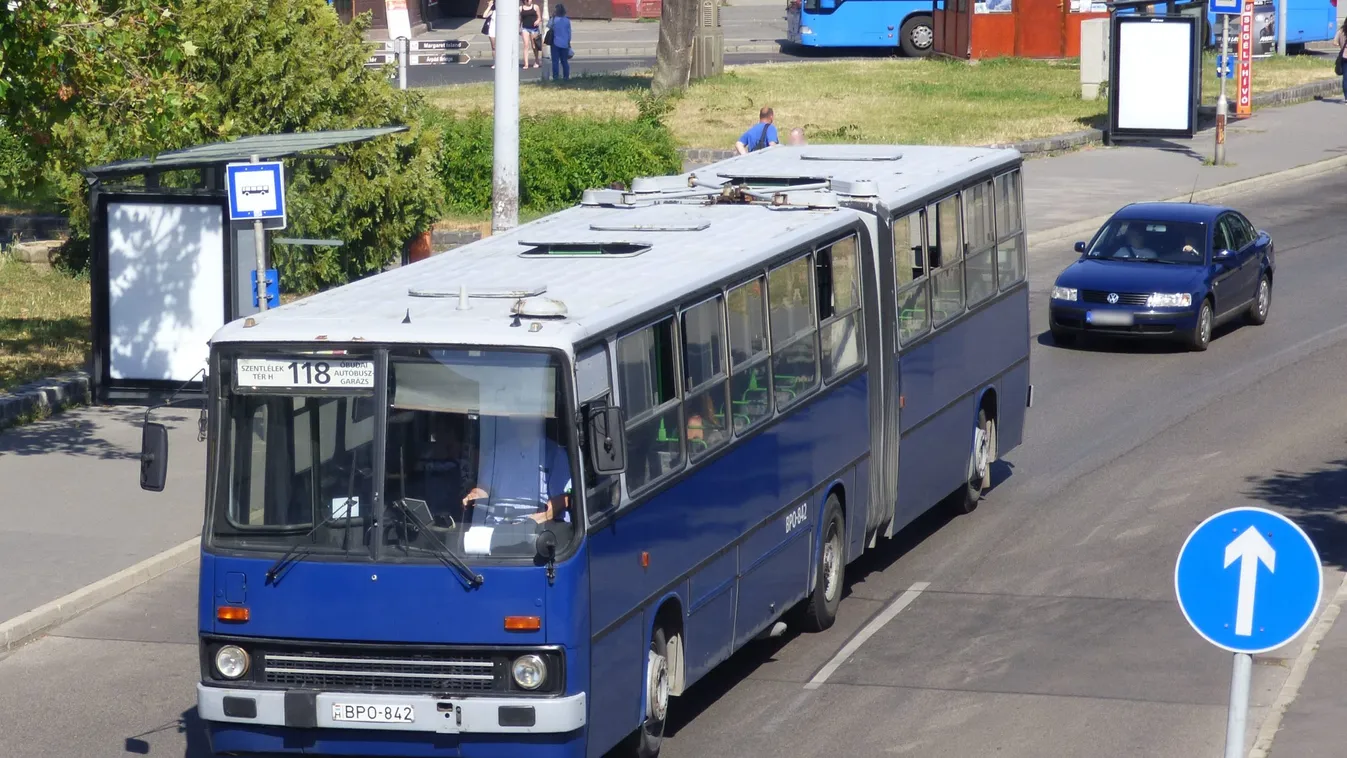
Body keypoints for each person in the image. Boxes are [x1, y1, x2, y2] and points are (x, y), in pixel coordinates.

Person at [461, 416, 571, 524]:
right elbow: (484, 490)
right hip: (498, 527)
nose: (525, 422)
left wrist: (529, 524)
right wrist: (474, 496)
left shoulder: (556, 454)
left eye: (529, 416)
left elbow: (562, 500)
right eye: (521, 416)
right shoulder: (499, 453)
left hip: (539, 530)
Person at [547, 4, 572, 80]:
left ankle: (556, 77)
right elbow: (569, 33)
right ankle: (566, 77)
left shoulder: (554, 20)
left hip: (555, 43)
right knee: (564, 61)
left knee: (555, 62)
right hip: (564, 43)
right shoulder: (567, 20)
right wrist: (568, 42)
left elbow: (548, 26)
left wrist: (553, 16)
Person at [520, 0, 542, 69]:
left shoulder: (535, 7)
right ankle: (526, 63)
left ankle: (536, 61)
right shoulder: (521, 8)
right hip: (525, 28)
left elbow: (539, 17)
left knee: (534, 45)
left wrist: (538, 21)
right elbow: (519, 19)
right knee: (526, 45)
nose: (530, 1)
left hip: (534, 28)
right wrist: (518, 28)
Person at [1336, 18, 1347, 102]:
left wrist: (1340, 45)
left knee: (1345, 78)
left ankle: (1346, 97)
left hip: (1344, 57)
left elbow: (1334, 42)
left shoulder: (1341, 31)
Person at [483, 0, 497, 68]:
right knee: (494, 47)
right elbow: (484, 15)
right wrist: (489, 6)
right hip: (492, 29)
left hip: (502, 30)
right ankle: (495, 63)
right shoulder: (493, 11)